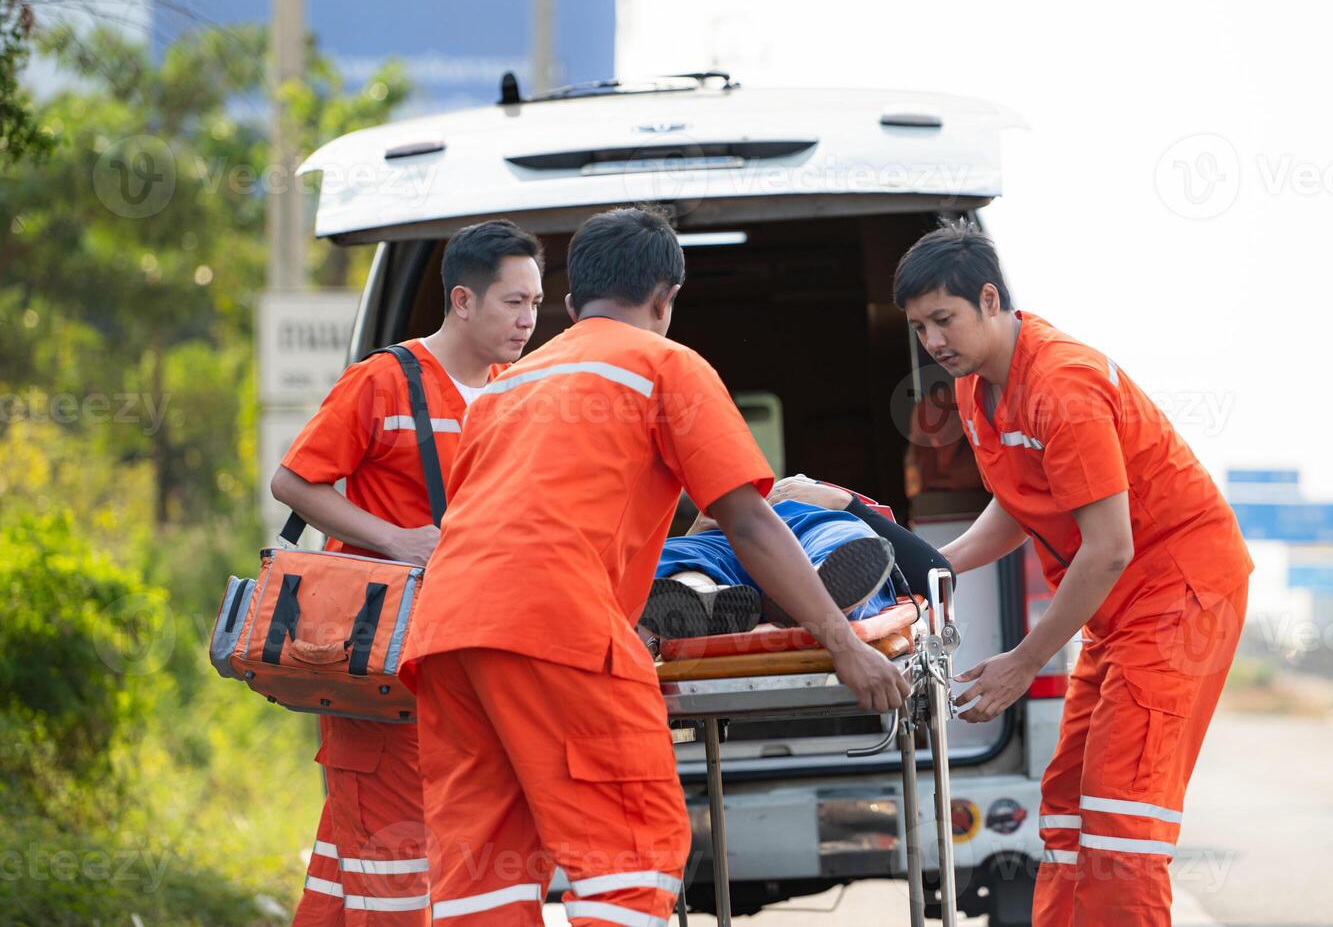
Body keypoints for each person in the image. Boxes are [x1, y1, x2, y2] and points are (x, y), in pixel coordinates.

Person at [398, 206, 910, 927]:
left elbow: (501, 522)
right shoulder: (664, 365)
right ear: (666, 299)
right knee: (628, 854)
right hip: (559, 628)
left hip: (448, 635)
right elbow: (750, 520)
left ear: (572, 304)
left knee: (480, 872)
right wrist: (843, 642)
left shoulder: (506, 387)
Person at [894, 220, 1252, 927]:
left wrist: (1024, 662)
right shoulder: (977, 388)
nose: (934, 341)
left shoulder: (1063, 385)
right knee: (1066, 806)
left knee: (1120, 817)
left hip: (1180, 596)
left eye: (945, 319)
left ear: (990, 300)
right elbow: (1020, 500)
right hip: (1118, 610)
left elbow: (1109, 546)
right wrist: (930, 566)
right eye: (920, 326)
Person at [270, 220, 544, 925]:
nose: (529, 320)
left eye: (536, 304)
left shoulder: (516, 393)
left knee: (355, 866)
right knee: (393, 870)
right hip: (379, 670)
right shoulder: (383, 380)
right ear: (462, 301)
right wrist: (396, 540)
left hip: (464, 667)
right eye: (514, 303)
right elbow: (295, 484)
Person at [641, 474, 954, 638]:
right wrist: (704, 526)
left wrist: (841, 501)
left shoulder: (821, 499)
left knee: (846, 540)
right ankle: (703, 597)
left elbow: (936, 573)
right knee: (676, 554)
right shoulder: (717, 507)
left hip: (807, 527)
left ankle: (809, 589)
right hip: (725, 536)